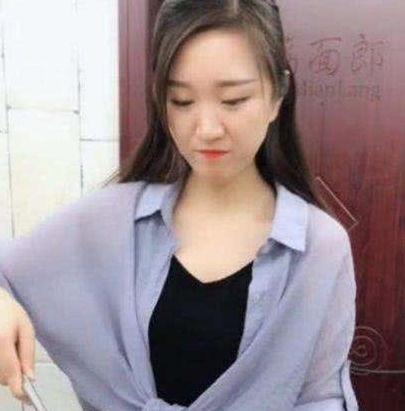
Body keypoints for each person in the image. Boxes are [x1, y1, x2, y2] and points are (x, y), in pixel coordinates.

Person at [0, 0, 359, 410]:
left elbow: (321, 397)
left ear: (277, 94)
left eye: (233, 100)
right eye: (182, 101)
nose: (206, 129)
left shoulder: (319, 248)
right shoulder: (112, 219)